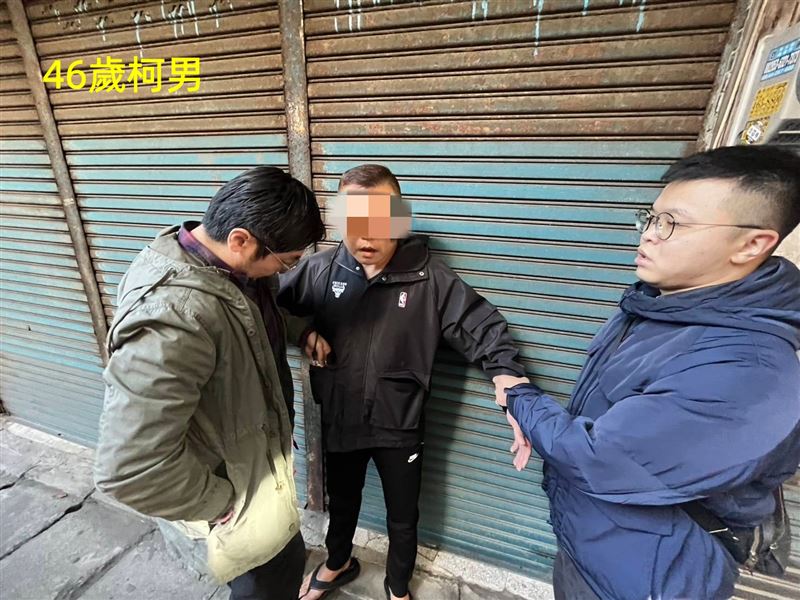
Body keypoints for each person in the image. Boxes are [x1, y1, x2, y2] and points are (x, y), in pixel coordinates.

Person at [497, 145, 800, 599]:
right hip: (595, 547)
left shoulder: (748, 369)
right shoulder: (659, 303)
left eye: (673, 223)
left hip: (644, 580)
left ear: (752, 244)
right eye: (652, 218)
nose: (649, 235)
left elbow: (599, 457)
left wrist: (518, 396)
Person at [277, 164, 530, 600]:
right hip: (339, 418)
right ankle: (338, 563)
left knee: (402, 516)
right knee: (343, 502)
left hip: (400, 426)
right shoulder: (320, 270)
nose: (365, 236)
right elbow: (267, 303)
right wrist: (302, 330)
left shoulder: (431, 279)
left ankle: (397, 587)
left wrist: (509, 379)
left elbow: (483, 329)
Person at [93, 166, 325, 600]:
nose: (289, 269)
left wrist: (299, 329)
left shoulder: (228, 267)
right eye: (288, 261)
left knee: (283, 560)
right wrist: (222, 504)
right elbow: (130, 469)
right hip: (233, 496)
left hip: (253, 469)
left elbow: (251, 312)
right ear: (241, 240)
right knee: (267, 580)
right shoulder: (173, 320)